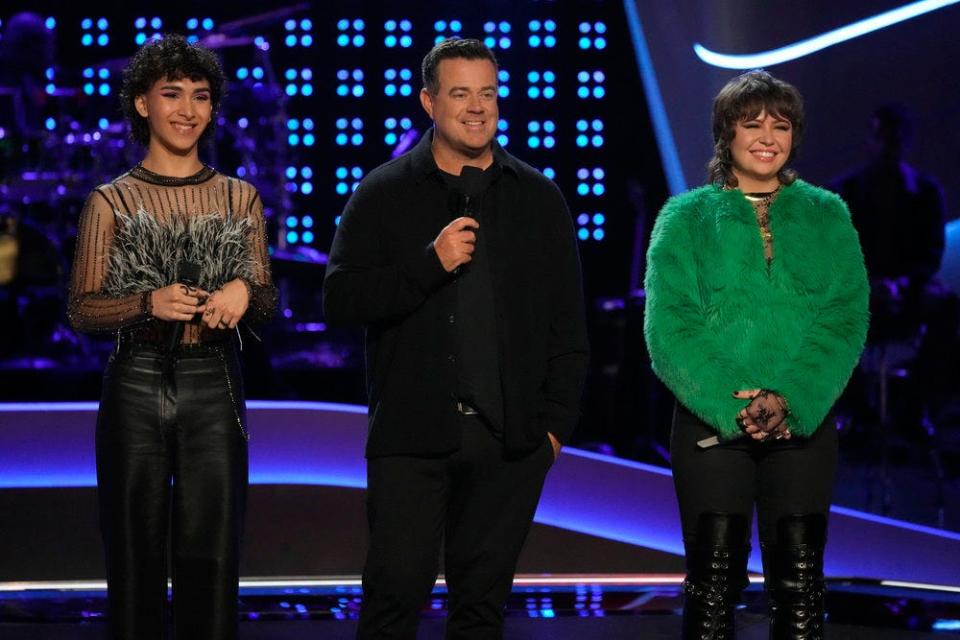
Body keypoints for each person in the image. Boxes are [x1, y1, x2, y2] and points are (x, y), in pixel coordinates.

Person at [323, 38, 588, 639]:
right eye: (460, 93)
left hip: (510, 445)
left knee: (481, 612)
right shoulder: (384, 191)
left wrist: (551, 432)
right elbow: (339, 300)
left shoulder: (539, 199)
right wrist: (428, 265)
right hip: (412, 440)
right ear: (427, 101)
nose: (477, 108)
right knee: (393, 604)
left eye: (488, 93)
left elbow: (569, 330)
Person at [643, 70, 869, 639]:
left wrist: (788, 399)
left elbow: (843, 318)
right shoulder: (685, 217)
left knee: (799, 588)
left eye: (781, 125)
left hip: (804, 424)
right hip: (710, 426)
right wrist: (733, 404)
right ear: (727, 133)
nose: (767, 136)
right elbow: (670, 327)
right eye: (752, 124)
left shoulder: (828, 213)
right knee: (714, 587)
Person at [67, 34, 276, 640]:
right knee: (133, 563)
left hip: (214, 384)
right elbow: (81, 310)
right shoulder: (110, 201)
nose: (188, 110)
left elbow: (266, 300)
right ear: (142, 105)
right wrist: (146, 303)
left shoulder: (241, 198)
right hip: (134, 384)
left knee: (211, 562)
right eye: (172, 95)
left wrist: (245, 294)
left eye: (201, 97)